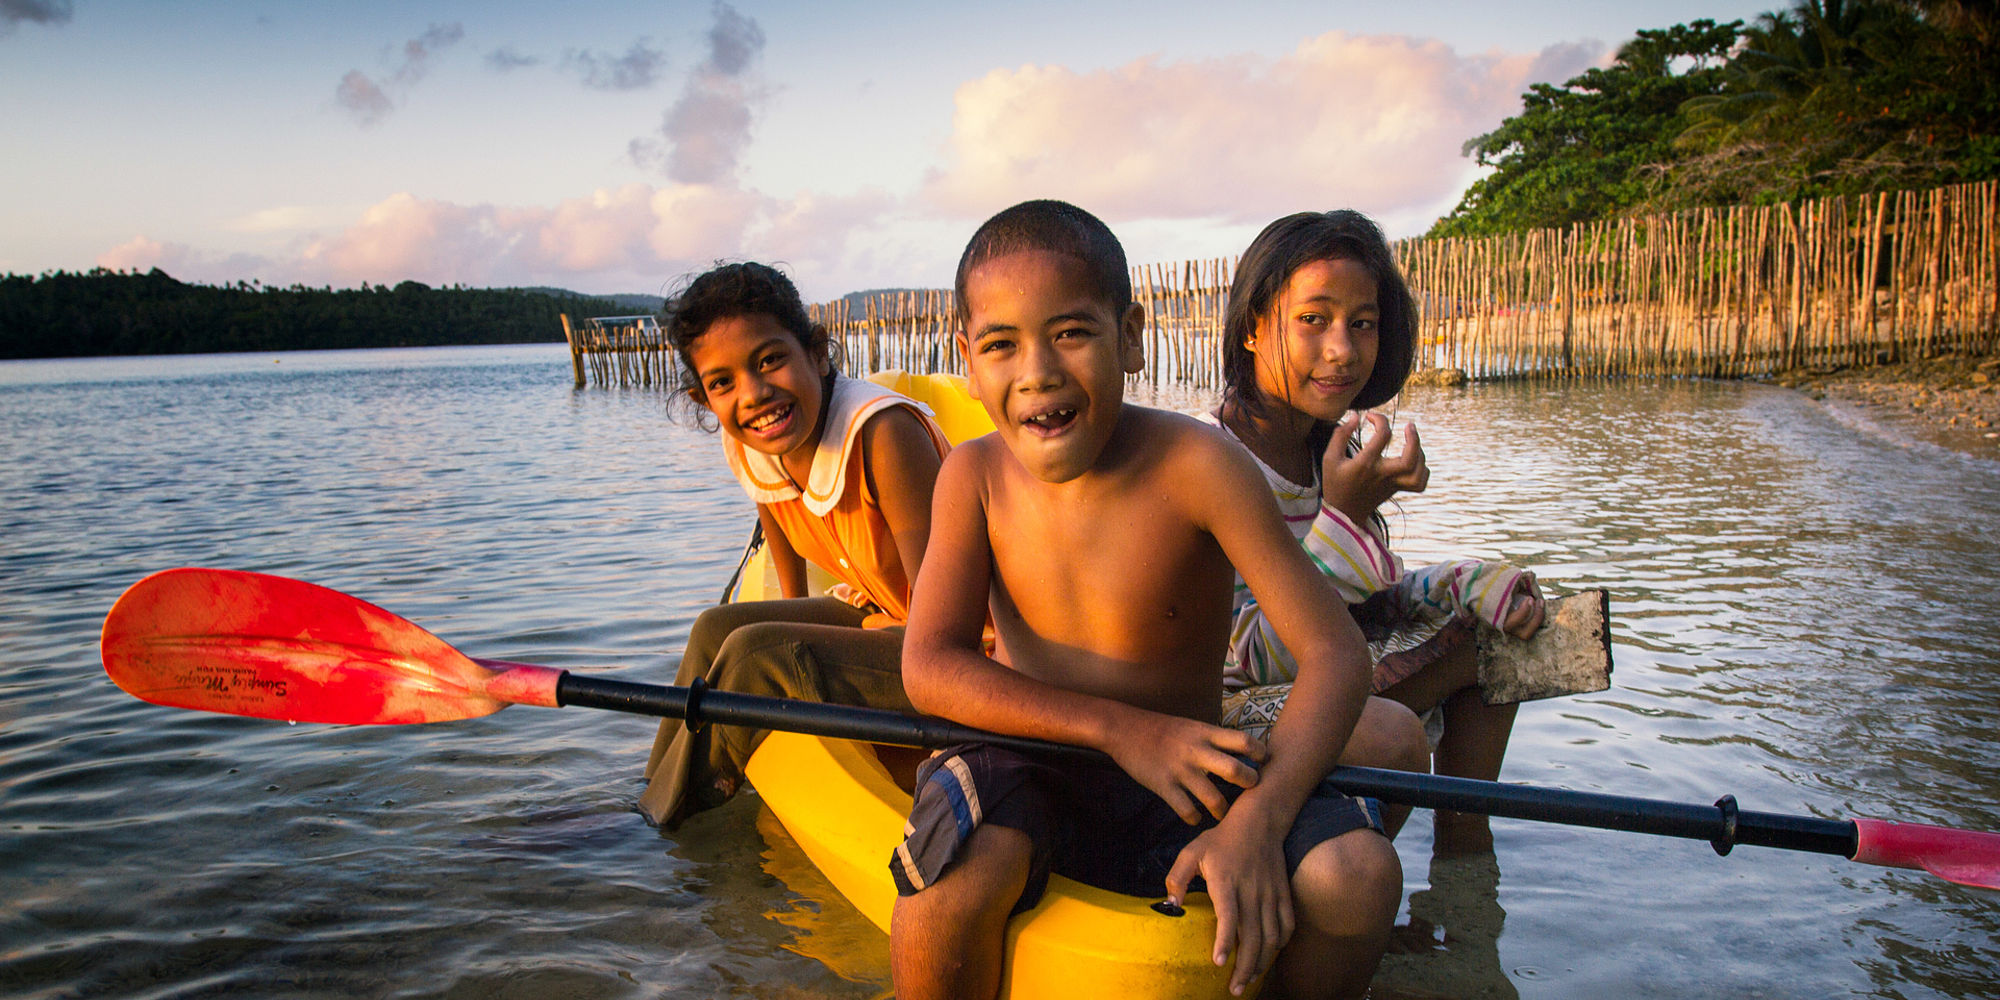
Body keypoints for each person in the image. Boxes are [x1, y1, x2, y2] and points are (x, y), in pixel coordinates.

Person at [888, 200, 1401, 1000]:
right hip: (1029, 760)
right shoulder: (973, 476)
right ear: (968, 359)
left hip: (1188, 773)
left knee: (1357, 876)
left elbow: (1336, 656)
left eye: (1071, 333)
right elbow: (929, 666)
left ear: (1130, 336)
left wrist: (1258, 821)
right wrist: (1123, 731)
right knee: (945, 888)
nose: (1038, 372)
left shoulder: (1200, 465)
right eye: (1000, 344)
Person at [1204, 210, 1546, 857]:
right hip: (1225, 711)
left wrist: (1464, 583)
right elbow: (1253, 659)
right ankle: (1344, 861)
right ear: (1252, 327)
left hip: (1310, 679)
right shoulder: (1212, 462)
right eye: (1314, 319)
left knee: (1497, 630)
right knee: (1391, 732)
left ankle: (1464, 859)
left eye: (1362, 323)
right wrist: (1345, 519)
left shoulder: (1321, 450)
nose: (1343, 349)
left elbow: (1361, 602)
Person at [638, 262, 948, 828]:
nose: (754, 394)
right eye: (723, 383)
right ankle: (647, 796)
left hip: (965, 650)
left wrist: (794, 655)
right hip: (888, 618)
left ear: (818, 352)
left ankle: (662, 826)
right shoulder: (755, 442)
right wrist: (793, 622)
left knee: (758, 655)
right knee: (716, 629)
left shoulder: (883, 436)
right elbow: (782, 546)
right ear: (703, 398)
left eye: (769, 361)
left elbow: (944, 626)